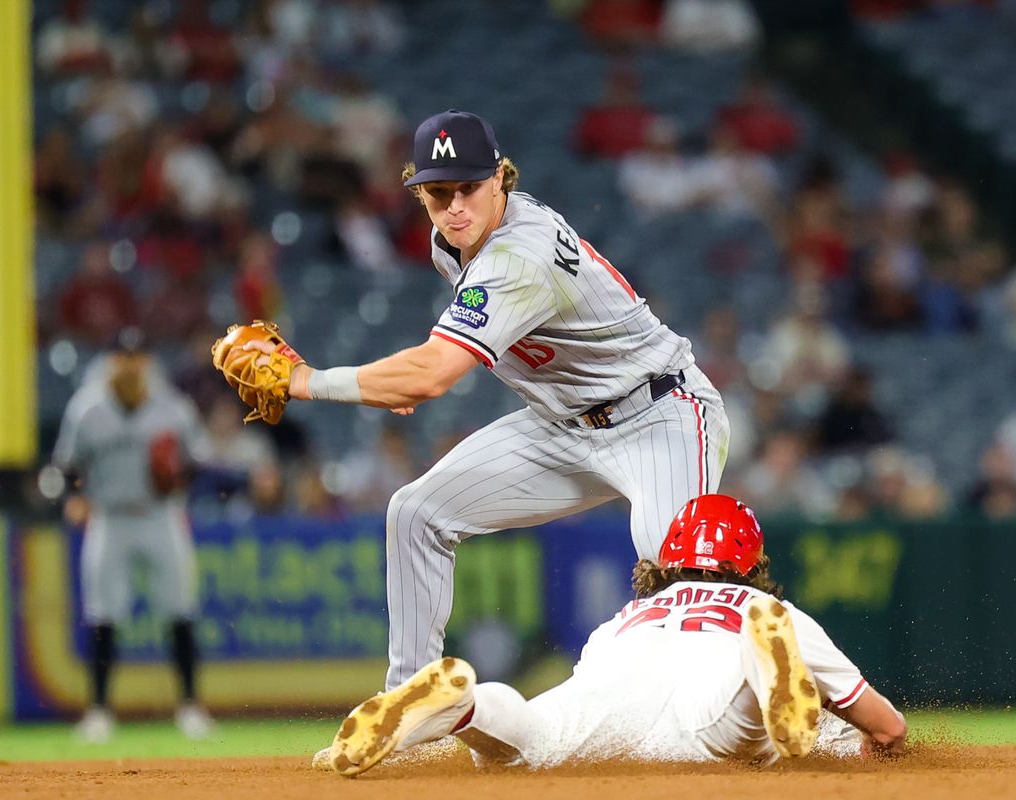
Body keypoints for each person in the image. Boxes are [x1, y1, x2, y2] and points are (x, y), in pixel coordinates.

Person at [240, 109, 730, 692]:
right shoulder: (451, 243)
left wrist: (303, 381)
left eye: (469, 187)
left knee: (678, 582)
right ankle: (411, 708)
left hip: (659, 415)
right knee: (416, 514)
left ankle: (785, 718)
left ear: (501, 176)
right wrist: (397, 377)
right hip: (563, 425)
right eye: (437, 192)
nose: (455, 207)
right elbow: (439, 355)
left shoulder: (517, 254)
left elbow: (432, 374)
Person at [315, 494, 907, 776]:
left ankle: (468, 706)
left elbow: (594, 688)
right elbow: (887, 728)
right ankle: (763, 668)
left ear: (670, 558)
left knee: (533, 739)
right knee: (745, 727)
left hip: (611, 697)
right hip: (709, 712)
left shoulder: (625, 617)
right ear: (751, 564)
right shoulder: (766, 607)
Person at [52, 330, 215, 743]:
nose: (129, 364)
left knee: (180, 610)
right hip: (109, 517)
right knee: (103, 615)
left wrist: (180, 479)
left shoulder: (171, 406)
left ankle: (191, 708)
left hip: (161, 515)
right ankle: (99, 711)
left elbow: (197, 460)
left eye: (136, 356)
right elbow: (67, 466)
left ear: (147, 361)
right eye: (122, 356)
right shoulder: (88, 408)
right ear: (110, 362)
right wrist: (75, 496)